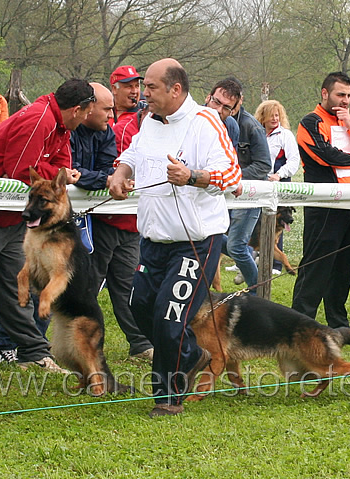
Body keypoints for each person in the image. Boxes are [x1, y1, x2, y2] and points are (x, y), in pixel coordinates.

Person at [108, 58, 241, 417]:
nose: (143, 93)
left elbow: (233, 177)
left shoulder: (207, 122)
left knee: (170, 318)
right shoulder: (148, 121)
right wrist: (120, 173)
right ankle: (191, 354)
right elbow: (132, 154)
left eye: (150, 87)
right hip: (152, 240)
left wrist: (192, 176)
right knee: (138, 307)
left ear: (176, 89)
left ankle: (168, 399)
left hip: (195, 241)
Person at [0, 79, 94, 371]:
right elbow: (21, 169)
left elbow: (61, 166)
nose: (86, 118)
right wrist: (60, 175)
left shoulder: (59, 125)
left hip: (15, 216)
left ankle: (32, 351)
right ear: (76, 109)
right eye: (86, 112)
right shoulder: (39, 118)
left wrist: (63, 174)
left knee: (17, 285)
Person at [68, 82, 154, 360]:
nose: (110, 115)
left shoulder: (107, 130)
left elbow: (102, 170)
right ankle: (82, 345)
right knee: (88, 286)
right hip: (102, 221)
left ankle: (140, 344)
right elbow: (104, 173)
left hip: (132, 224)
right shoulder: (122, 130)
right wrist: (107, 179)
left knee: (129, 286)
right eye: (107, 109)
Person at [292, 71, 350, 338]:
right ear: (325, 93)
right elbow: (325, 156)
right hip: (323, 204)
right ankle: (300, 324)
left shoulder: (348, 123)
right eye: (340, 94)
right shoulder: (310, 121)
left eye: (349, 96)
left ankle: (338, 324)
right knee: (317, 265)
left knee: (344, 266)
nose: (345, 100)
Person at [222, 77, 271, 289]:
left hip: (249, 192)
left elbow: (264, 165)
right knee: (212, 238)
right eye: (221, 102)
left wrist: (235, 177)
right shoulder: (209, 122)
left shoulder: (252, 126)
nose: (226, 108)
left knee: (235, 246)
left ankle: (256, 292)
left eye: (231, 103)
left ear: (240, 100)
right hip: (221, 191)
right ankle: (249, 261)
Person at [254, 99, 300, 273]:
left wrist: (278, 175)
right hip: (259, 183)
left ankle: (276, 264)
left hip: (278, 183)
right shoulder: (257, 133)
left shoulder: (285, 135)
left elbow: (294, 161)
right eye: (271, 115)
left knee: (276, 220)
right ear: (262, 117)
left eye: (277, 115)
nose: (274, 119)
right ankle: (249, 256)